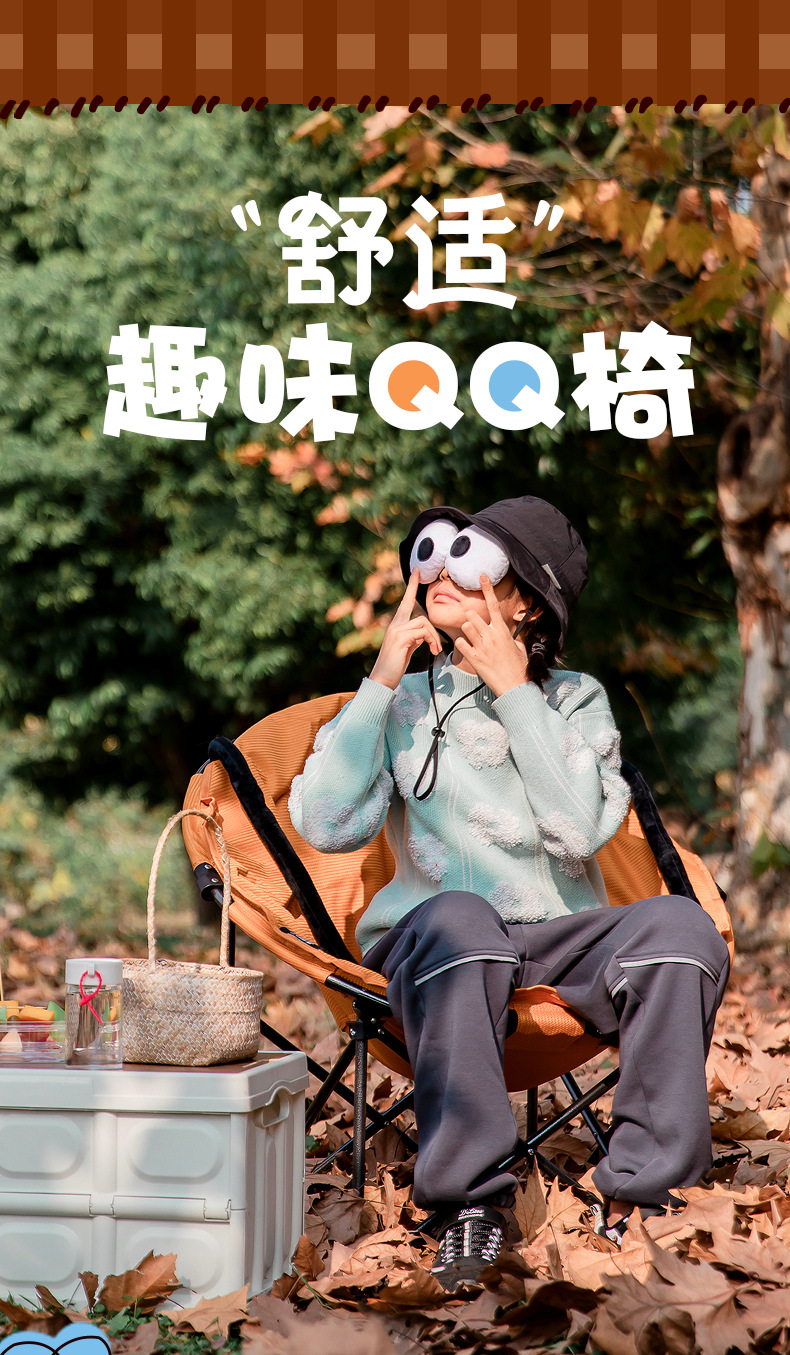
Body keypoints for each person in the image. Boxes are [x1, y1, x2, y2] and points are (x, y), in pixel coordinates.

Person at [289, 496, 730, 1287]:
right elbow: (323, 821)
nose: (441, 575)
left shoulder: (575, 700)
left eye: (472, 562)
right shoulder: (404, 702)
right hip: (436, 941)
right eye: (436, 559)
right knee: (465, 920)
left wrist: (516, 691)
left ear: (525, 599)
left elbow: (577, 829)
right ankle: (471, 1205)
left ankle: (644, 1189)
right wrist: (382, 677)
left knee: (682, 929)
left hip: (557, 941)